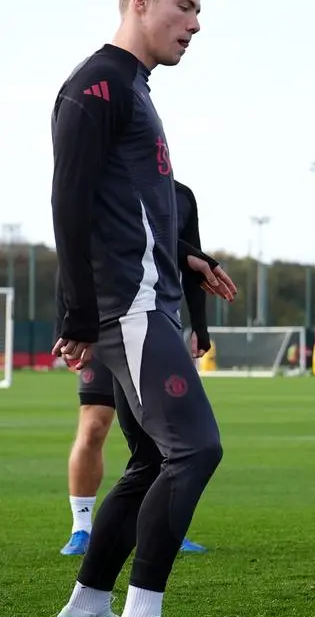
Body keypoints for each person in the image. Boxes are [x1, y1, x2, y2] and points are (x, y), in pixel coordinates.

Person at [49, 0, 235, 617]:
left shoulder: (135, 86)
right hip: (126, 307)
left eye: (197, 14)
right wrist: (75, 313)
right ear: (138, 0)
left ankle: (90, 605)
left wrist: (186, 260)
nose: (193, 25)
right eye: (183, 8)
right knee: (195, 449)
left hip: (147, 296)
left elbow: (127, 208)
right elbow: (69, 200)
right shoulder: (98, 84)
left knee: (153, 457)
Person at [60, 180, 219, 557]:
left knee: (165, 442)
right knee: (95, 425)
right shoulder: (105, 187)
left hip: (157, 326)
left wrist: (199, 325)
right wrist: (68, 324)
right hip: (103, 325)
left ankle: (167, 523)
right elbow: (72, 250)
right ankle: (81, 527)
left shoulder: (180, 196)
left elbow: (191, 262)